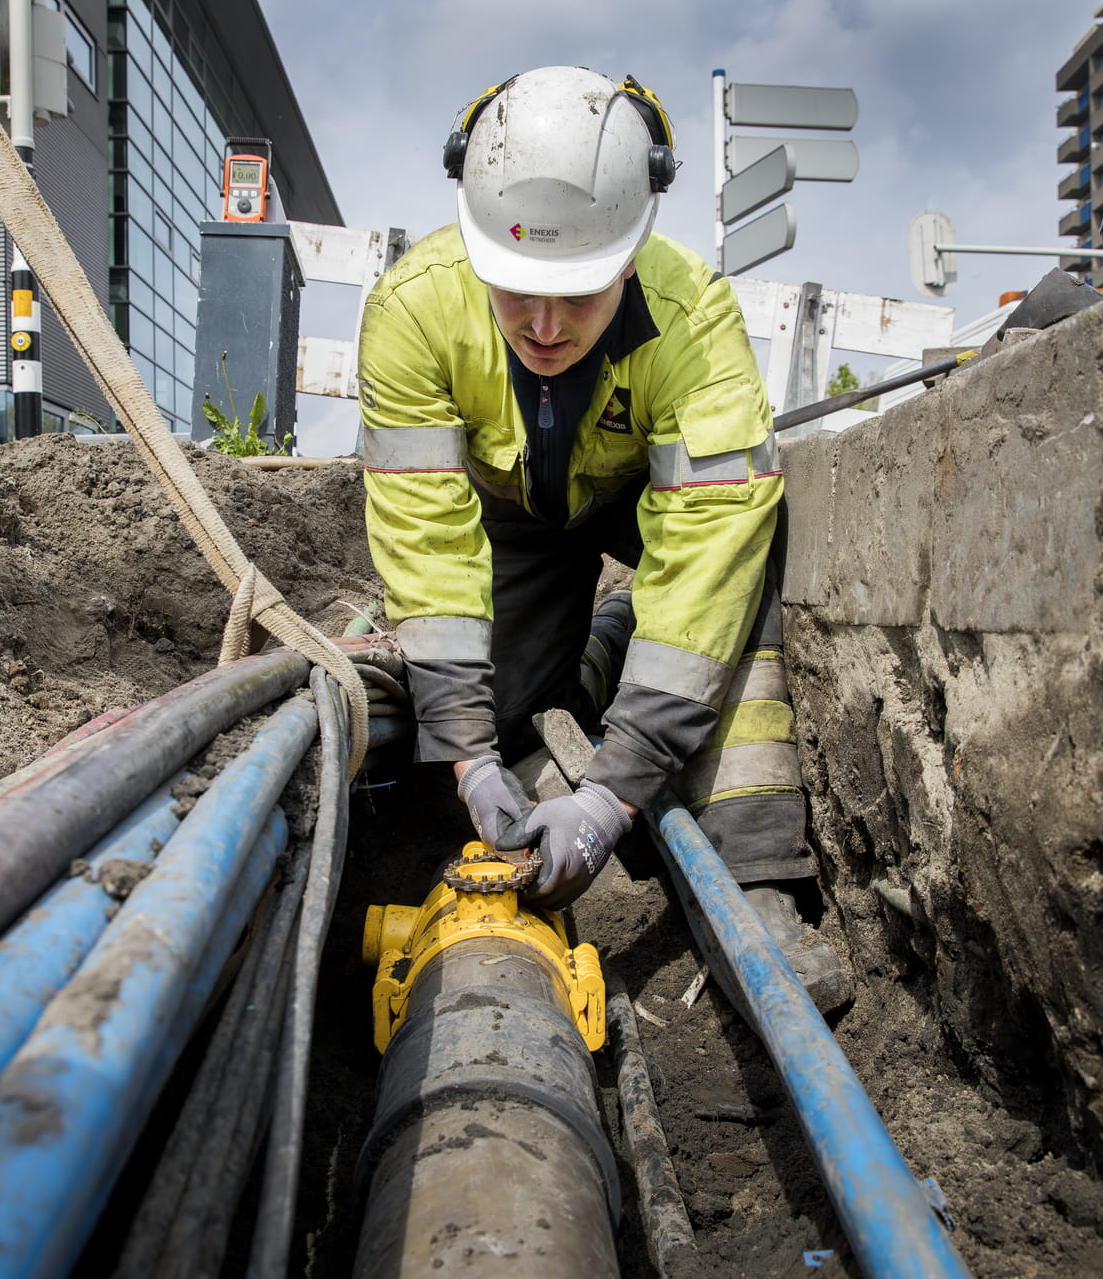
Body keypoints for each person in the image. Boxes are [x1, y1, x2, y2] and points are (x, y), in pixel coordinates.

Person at [358, 66, 851, 1012]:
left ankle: (755, 878)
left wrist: (613, 794)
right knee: (494, 710)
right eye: (515, 292)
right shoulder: (414, 309)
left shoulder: (694, 323)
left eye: (578, 294)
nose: (544, 327)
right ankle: (595, 659)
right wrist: (465, 754)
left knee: (743, 582)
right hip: (510, 512)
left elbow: (709, 551)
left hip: (639, 498)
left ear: (631, 255)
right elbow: (426, 537)